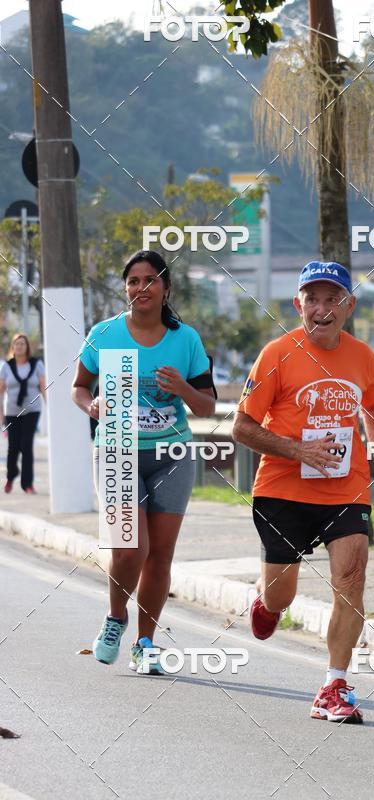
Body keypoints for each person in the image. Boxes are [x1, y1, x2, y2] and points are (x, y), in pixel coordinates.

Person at [232, 260, 374, 723]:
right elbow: (241, 427)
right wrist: (296, 449)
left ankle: (333, 685)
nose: (321, 309)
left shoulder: (362, 356)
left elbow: (373, 402)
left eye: (332, 299)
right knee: (281, 596)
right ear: (297, 304)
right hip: (282, 489)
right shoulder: (276, 354)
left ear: (349, 306)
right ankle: (266, 601)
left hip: (344, 489)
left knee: (352, 577)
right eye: (312, 299)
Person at [72, 250, 216, 673]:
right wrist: (92, 405)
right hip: (116, 446)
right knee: (130, 547)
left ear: (165, 288)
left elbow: (208, 406)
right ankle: (116, 617)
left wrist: (183, 390)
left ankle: (146, 643)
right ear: (126, 289)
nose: (141, 288)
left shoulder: (185, 339)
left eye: (150, 280)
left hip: (171, 453)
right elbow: (78, 387)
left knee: (160, 555)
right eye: (133, 281)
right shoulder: (105, 334)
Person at [0, 333, 46, 494]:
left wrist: (50, 407)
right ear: (12, 347)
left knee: (26, 445)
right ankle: (11, 476)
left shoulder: (36, 364)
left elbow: (43, 388)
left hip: (32, 410)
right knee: (13, 447)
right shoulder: (6, 367)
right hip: (11, 412)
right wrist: (1, 418)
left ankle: (27, 484)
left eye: (22, 344)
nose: (19, 346)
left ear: (27, 347)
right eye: (16, 344)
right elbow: (0, 392)